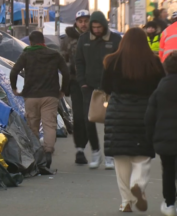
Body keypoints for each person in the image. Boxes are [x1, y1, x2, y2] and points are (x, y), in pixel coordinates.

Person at [102, 27, 164, 213]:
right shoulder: (153, 62)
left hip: (118, 114)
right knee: (142, 157)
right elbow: (160, 88)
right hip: (144, 114)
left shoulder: (112, 61)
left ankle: (126, 201)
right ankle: (138, 185)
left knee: (121, 159)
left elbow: (105, 87)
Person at [10, 31, 70, 170]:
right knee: (49, 124)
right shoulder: (54, 54)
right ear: (43, 40)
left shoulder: (26, 54)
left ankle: (36, 156)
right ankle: (48, 151)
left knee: (33, 126)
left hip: (31, 96)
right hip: (50, 95)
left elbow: (14, 72)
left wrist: (14, 88)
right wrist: (63, 90)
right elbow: (66, 73)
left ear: (30, 42)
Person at [75, 11, 122, 169]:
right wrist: (82, 82)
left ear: (104, 25)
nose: (96, 30)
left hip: (110, 87)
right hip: (89, 87)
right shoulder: (84, 39)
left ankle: (109, 155)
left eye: (99, 27)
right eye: (93, 27)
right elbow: (79, 62)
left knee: (110, 121)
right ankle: (95, 151)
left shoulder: (115, 39)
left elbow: (121, 62)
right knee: (89, 120)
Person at [145, 51, 177, 216]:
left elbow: (150, 116)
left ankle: (170, 203)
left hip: (166, 138)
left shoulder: (160, 89)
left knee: (169, 170)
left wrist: (150, 138)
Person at [60, 9, 90, 165]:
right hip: (76, 83)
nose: (84, 24)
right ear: (76, 23)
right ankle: (80, 149)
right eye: (81, 21)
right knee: (78, 117)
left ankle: (92, 147)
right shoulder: (68, 39)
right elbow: (63, 61)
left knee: (89, 117)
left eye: (86, 21)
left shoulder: (95, 36)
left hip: (93, 84)